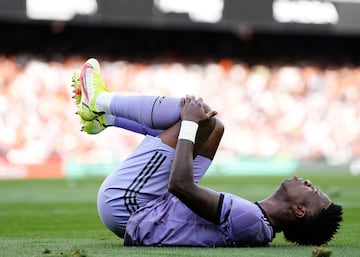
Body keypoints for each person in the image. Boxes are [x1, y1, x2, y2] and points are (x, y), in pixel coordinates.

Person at [72, 58, 343, 247]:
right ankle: (104, 119)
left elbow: (180, 185)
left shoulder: (250, 219)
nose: (309, 183)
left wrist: (189, 123)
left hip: (129, 207)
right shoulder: (256, 221)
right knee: (213, 128)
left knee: (194, 114)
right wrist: (192, 126)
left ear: (298, 210)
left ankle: (98, 101)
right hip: (152, 210)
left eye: (313, 191)